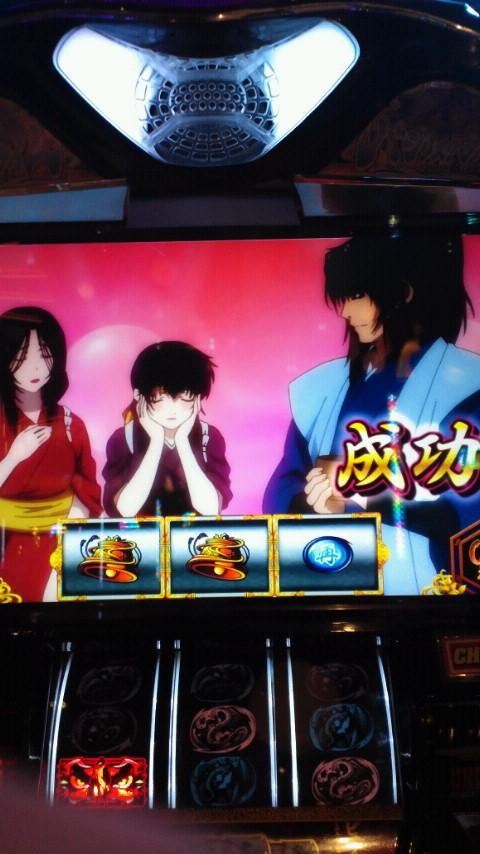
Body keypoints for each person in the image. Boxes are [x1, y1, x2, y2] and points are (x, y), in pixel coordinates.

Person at [263, 234, 480, 594]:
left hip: (438, 600)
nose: (346, 312)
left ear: (404, 293)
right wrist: (314, 503)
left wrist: (363, 498)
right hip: (327, 588)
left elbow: (467, 518)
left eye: (356, 295)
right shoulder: (322, 389)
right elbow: (280, 494)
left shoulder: (468, 385)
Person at [0, 307, 102, 603]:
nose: (35, 369)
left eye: (44, 355)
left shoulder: (70, 423)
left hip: (58, 542)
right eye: (22, 357)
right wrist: (14, 457)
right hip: (6, 540)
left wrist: (71, 534)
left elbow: (87, 487)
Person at [103, 340, 232, 517]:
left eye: (185, 398)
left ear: (198, 398)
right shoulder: (125, 438)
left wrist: (182, 441)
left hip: (196, 533)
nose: (173, 409)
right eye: (160, 398)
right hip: (139, 534)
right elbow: (125, 510)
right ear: (139, 396)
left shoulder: (208, 437)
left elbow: (210, 508)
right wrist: (156, 442)